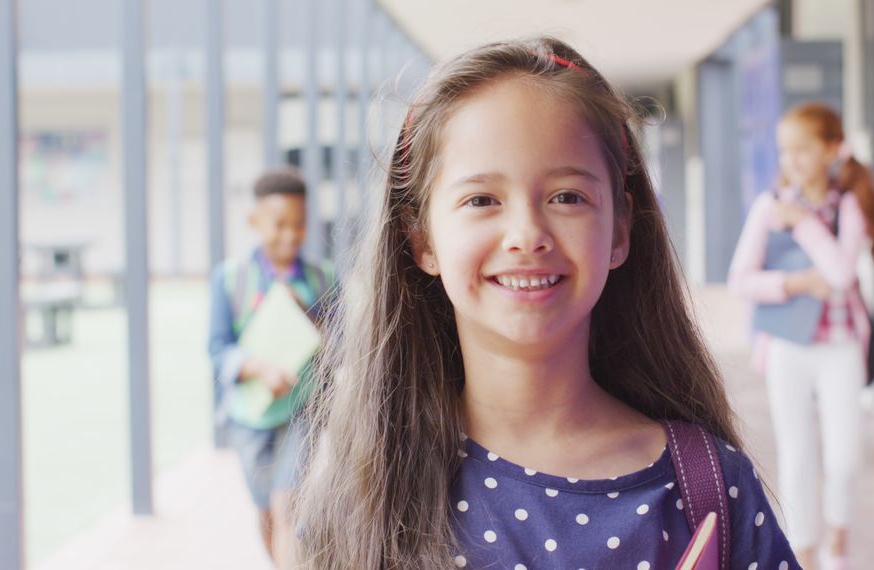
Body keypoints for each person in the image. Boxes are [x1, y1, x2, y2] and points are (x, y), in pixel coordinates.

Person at [294, 37, 799, 569]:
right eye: (481, 200)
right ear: (421, 238)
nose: (527, 234)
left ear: (621, 228)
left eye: (567, 197)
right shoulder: (363, 491)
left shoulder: (708, 488)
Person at [728, 102, 874, 570]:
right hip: (786, 346)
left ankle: (839, 540)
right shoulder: (766, 206)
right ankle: (806, 553)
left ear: (832, 149)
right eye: (785, 151)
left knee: (844, 457)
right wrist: (794, 284)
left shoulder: (848, 204)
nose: (791, 161)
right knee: (796, 455)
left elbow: (839, 274)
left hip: (839, 347)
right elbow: (741, 279)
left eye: (802, 149)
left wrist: (802, 222)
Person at [207, 168, 334, 569]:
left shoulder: (323, 278)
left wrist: (313, 324)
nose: (290, 235)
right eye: (279, 225)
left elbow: (342, 344)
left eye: (299, 224)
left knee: (289, 506)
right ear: (254, 222)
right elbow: (217, 349)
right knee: (266, 512)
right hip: (251, 415)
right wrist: (257, 367)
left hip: (304, 410)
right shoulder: (230, 279)